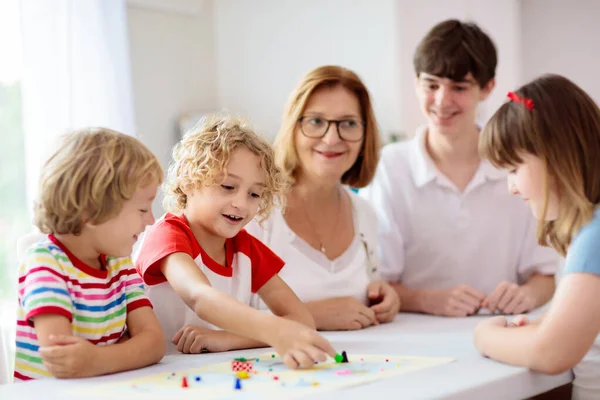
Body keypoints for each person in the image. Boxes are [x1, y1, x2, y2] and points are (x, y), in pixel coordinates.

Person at [361, 19, 559, 317]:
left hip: (504, 332)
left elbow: (545, 275)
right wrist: (427, 300)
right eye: (431, 85)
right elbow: (376, 283)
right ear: (416, 83)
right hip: (412, 337)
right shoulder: (390, 167)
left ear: (487, 87)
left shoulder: (518, 167)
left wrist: (527, 295)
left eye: (459, 87)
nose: (442, 100)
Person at [134, 115, 335, 368]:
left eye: (254, 194)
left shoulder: (245, 247)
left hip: (210, 372)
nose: (241, 203)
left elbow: (301, 320)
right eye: (228, 186)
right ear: (188, 181)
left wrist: (227, 339)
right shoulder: (167, 234)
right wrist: (273, 330)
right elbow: (199, 296)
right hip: (153, 373)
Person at [474, 74, 600, 400]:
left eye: (514, 169)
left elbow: (551, 354)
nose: (511, 187)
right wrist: (546, 324)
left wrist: (484, 336)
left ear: (556, 155)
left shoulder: (595, 236)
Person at [246, 65, 400, 331]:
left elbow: (368, 289)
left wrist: (384, 296)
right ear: (293, 128)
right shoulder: (255, 212)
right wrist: (309, 316)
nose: (331, 139)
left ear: (365, 135)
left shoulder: (365, 215)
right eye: (316, 121)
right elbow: (213, 320)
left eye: (348, 124)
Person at [15, 128, 165, 380]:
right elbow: (64, 361)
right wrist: (129, 348)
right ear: (92, 211)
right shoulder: (45, 263)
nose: (151, 220)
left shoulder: (119, 263)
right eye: (142, 209)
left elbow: (154, 343)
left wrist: (95, 359)